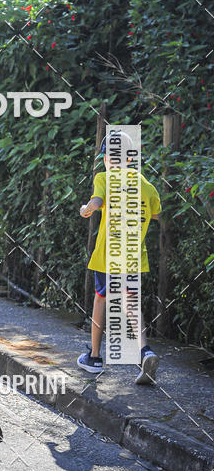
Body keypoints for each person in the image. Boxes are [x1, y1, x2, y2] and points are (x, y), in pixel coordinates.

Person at [77, 131, 161, 384]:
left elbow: (97, 200)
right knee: (131, 301)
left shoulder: (104, 177)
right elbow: (157, 213)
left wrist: (86, 209)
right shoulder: (146, 185)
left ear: (105, 158)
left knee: (101, 300)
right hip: (134, 256)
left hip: (107, 256)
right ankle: (145, 350)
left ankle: (93, 357)